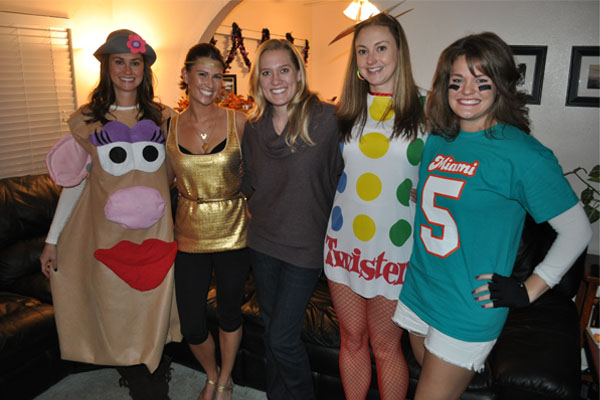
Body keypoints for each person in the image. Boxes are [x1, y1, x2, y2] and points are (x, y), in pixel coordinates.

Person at [392, 32, 592, 400]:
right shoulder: (438, 139)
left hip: (468, 305)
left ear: (500, 85)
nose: (466, 91)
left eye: (481, 81)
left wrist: (529, 290)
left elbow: (577, 230)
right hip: (421, 288)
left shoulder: (523, 154)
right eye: (457, 81)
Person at [39, 29, 181, 399]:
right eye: (119, 62)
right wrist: (52, 240)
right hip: (108, 235)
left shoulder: (165, 118)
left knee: (153, 303)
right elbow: (75, 184)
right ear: (107, 67)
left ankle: (153, 372)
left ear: (145, 69)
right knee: (119, 307)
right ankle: (137, 375)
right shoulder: (87, 120)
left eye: (135, 63)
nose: (127, 70)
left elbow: (180, 172)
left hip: (155, 233)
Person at [323, 12, 426, 400]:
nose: (371, 59)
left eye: (381, 48)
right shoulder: (345, 109)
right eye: (362, 51)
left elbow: (453, 170)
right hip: (343, 242)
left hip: (394, 248)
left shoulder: (429, 108)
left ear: (400, 52)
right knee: (351, 339)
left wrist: (425, 191)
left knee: (385, 347)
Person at [241, 38, 343, 400]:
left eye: (284, 70)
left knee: (282, 338)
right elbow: (247, 180)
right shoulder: (254, 126)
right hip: (262, 243)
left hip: (305, 246)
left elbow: (350, 174)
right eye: (266, 73)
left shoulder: (328, 119)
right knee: (272, 332)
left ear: (299, 73)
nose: (276, 80)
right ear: (257, 80)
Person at [166, 43, 249, 400]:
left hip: (234, 232)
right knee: (191, 323)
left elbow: (258, 175)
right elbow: (160, 183)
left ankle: (224, 379)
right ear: (185, 75)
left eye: (217, 77)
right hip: (188, 234)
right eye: (202, 74)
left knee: (229, 313)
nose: (210, 84)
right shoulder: (168, 126)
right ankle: (211, 373)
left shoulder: (239, 122)